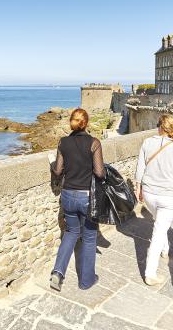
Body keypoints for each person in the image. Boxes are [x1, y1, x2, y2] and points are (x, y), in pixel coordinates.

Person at [50, 108, 106, 291]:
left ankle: (57, 273)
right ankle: (86, 280)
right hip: (87, 198)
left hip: (67, 195)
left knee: (71, 233)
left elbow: (57, 171)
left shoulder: (63, 142)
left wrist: (52, 163)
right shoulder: (94, 143)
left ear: (72, 122)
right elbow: (99, 172)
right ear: (86, 123)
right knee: (89, 238)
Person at [134, 114, 173, 286]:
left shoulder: (147, 143)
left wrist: (137, 187)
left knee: (159, 223)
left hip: (149, 194)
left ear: (159, 126)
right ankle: (150, 274)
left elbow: (140, 168)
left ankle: (165, 249)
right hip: (169, 196)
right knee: (158, 232)